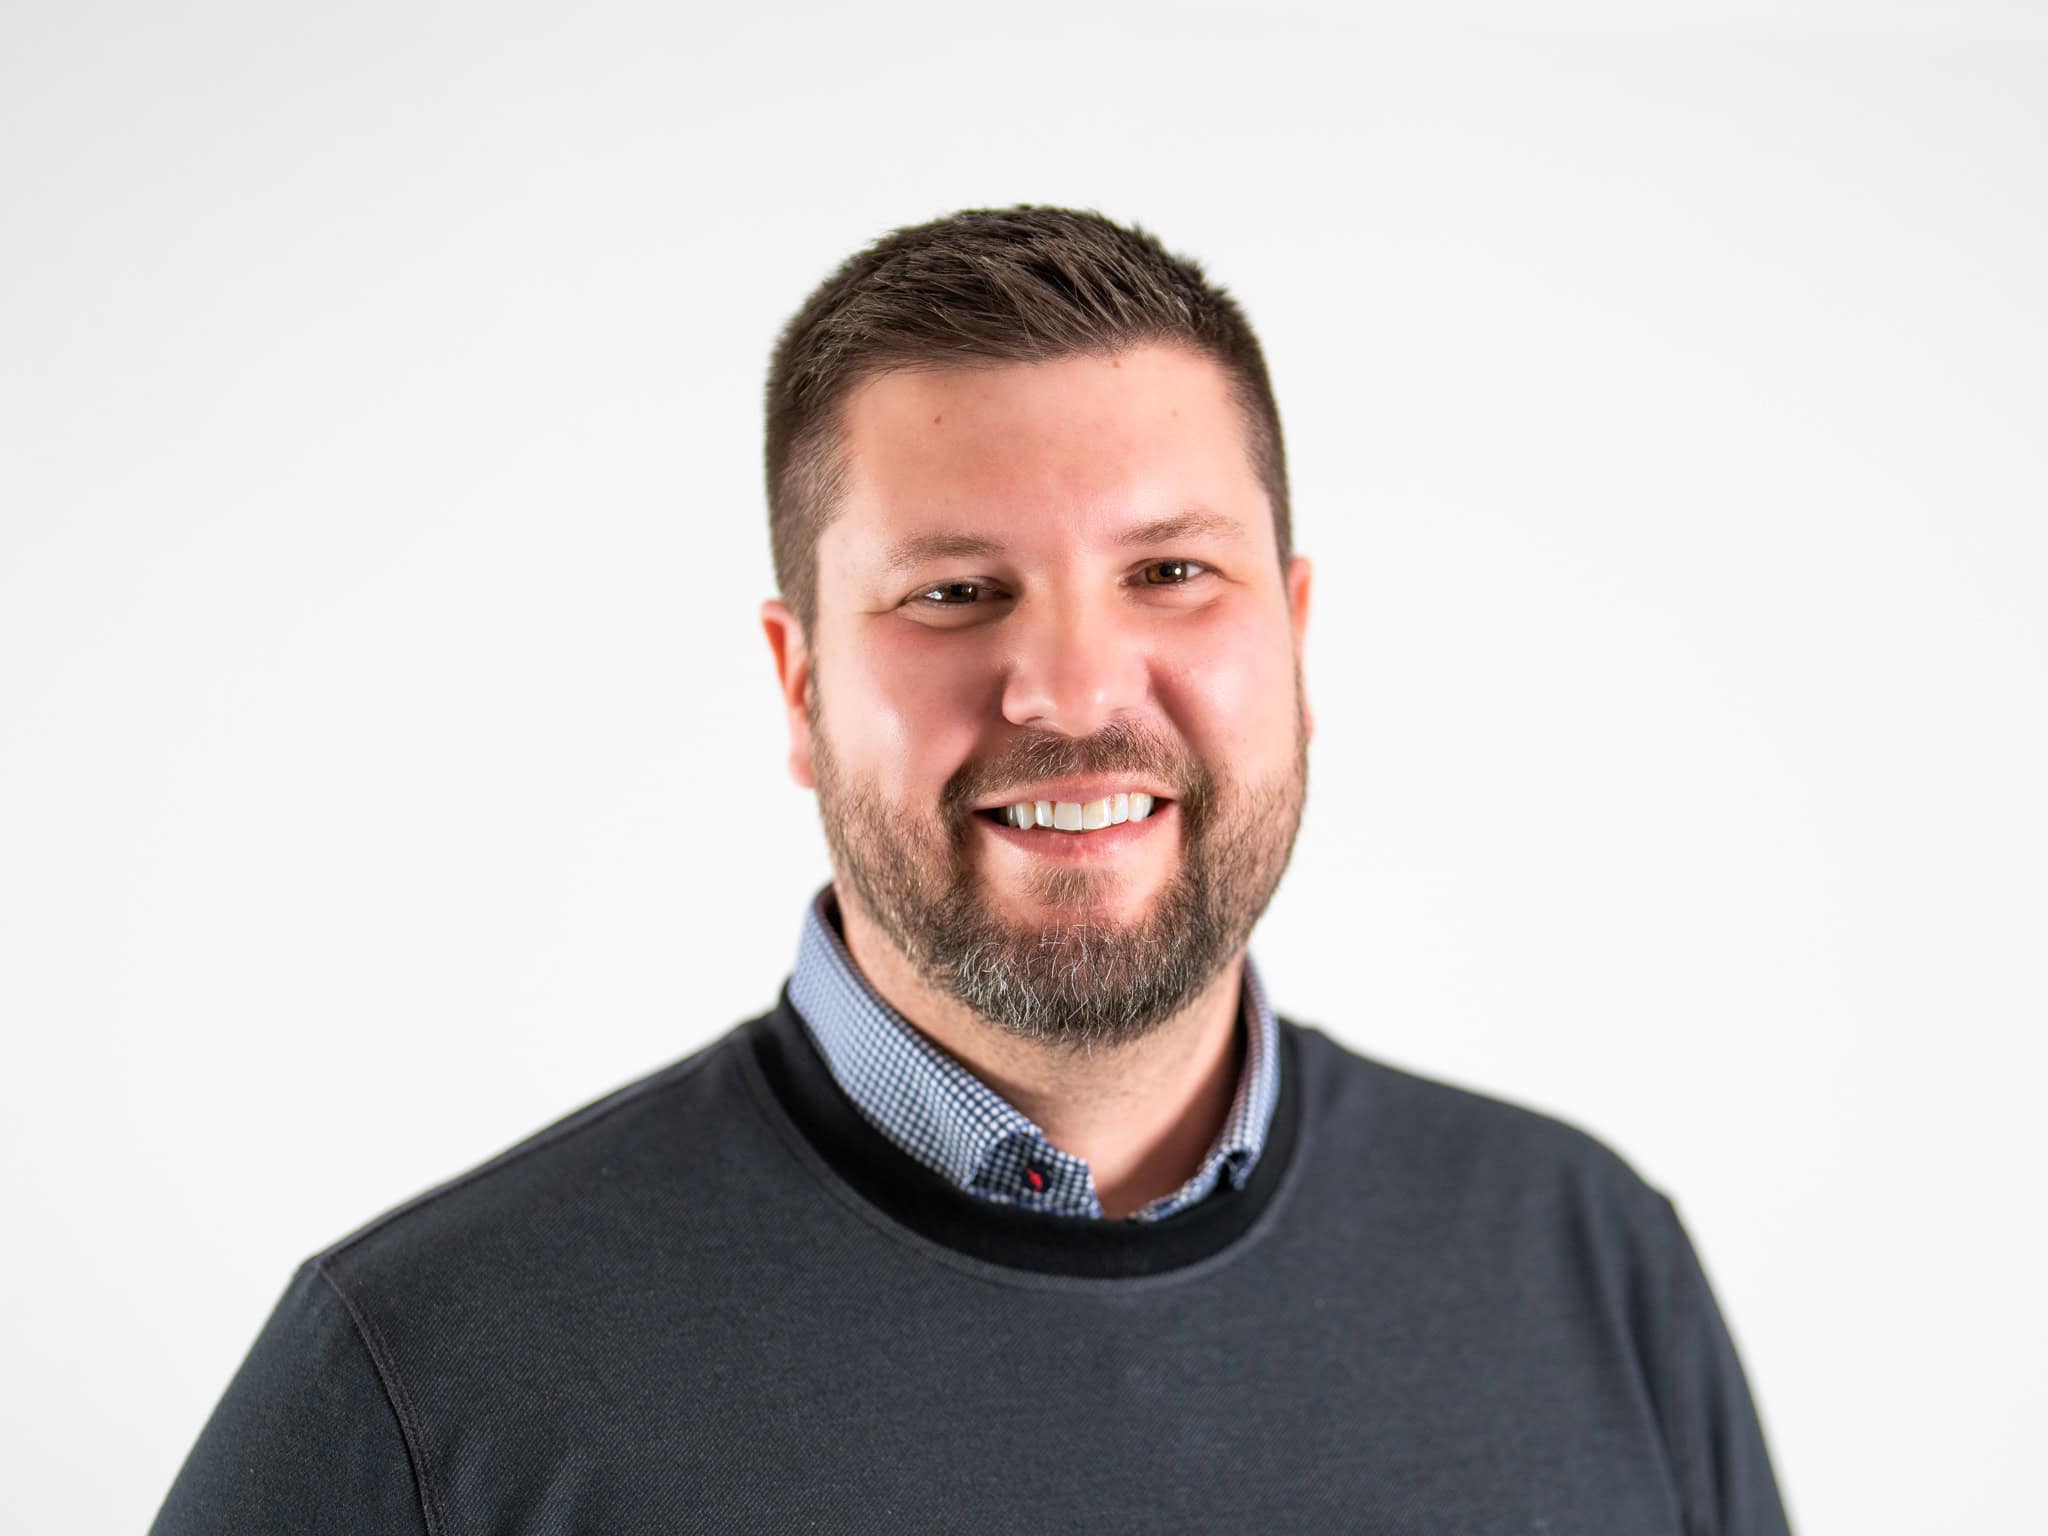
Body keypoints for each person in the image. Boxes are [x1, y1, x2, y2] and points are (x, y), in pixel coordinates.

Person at [151, 206, 1792, 1533]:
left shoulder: (1590, 1262)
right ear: (800, 687)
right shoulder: (425, 1380)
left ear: (1292, 637)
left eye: (1170, 570)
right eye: (953, 593)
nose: (1074, 690)